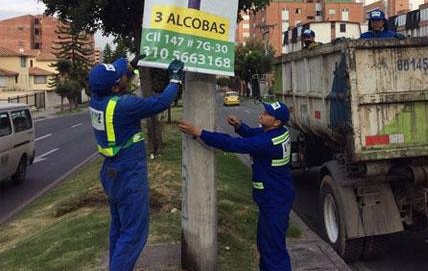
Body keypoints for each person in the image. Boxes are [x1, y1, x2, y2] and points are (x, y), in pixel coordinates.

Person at [88, 56, 185, 271]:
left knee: (119, 229)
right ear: (115, 86)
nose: (125, 76)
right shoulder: (125, 106)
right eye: (122, 76)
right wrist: (175, 79)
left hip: (111, 174)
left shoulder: (96, 98)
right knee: (133, 234)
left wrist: (129, 66)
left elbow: (116, 79)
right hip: (128, 175)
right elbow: (161, 102)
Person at [179, 102, 294, 271]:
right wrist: (240, 126)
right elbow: (254, 134)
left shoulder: (267, 143)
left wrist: (199, 132)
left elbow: (231, 144)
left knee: (273, 249)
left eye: (267, 113)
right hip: (278, 195)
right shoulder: (279, 132)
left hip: (274, 200)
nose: (262, 114)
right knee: (267, 243)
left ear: (276, 122)